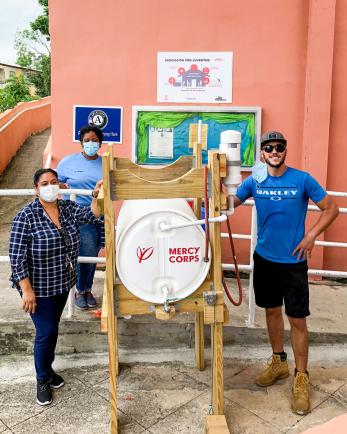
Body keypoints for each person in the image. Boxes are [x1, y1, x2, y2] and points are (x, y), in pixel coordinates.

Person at [234, 131, 339, 415]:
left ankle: (301, 377)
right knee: (270, 311)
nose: (275, 151)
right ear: (262, 153)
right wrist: (215, 187)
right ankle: (279, 361)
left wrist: (313, 235)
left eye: (279, 147)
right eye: (269, 147)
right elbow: (230, 203)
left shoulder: (302, 179)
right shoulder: (255, 180)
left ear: (285, 151)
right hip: (265, 258)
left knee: (297, 319)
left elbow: (332, 207)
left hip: (293, 262)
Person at [9, 168, 102, 406]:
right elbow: (16, 257)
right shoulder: (26, 216)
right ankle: (42, 379)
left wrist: (96, 196)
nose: (50, 186)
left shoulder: (68, 209)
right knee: (46, 332)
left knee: (52, 329)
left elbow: (92, 216)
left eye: (54, 182)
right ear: (36, 188)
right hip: (37, 288)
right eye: (44, 183)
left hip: (61, 283)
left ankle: (48, 371)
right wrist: (26, 290)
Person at [56, 125, 104, 310]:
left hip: (98, 213)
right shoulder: (68, 162)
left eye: (94, 140)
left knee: (91, 253)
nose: (90, 143)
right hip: (75, 214)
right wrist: (61, 185)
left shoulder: (105, 163)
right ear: (81, 142)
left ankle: (86, 289)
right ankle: (80, 290)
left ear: (100, 143)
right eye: (87, 140)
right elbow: (57, 181)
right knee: (83, 251)